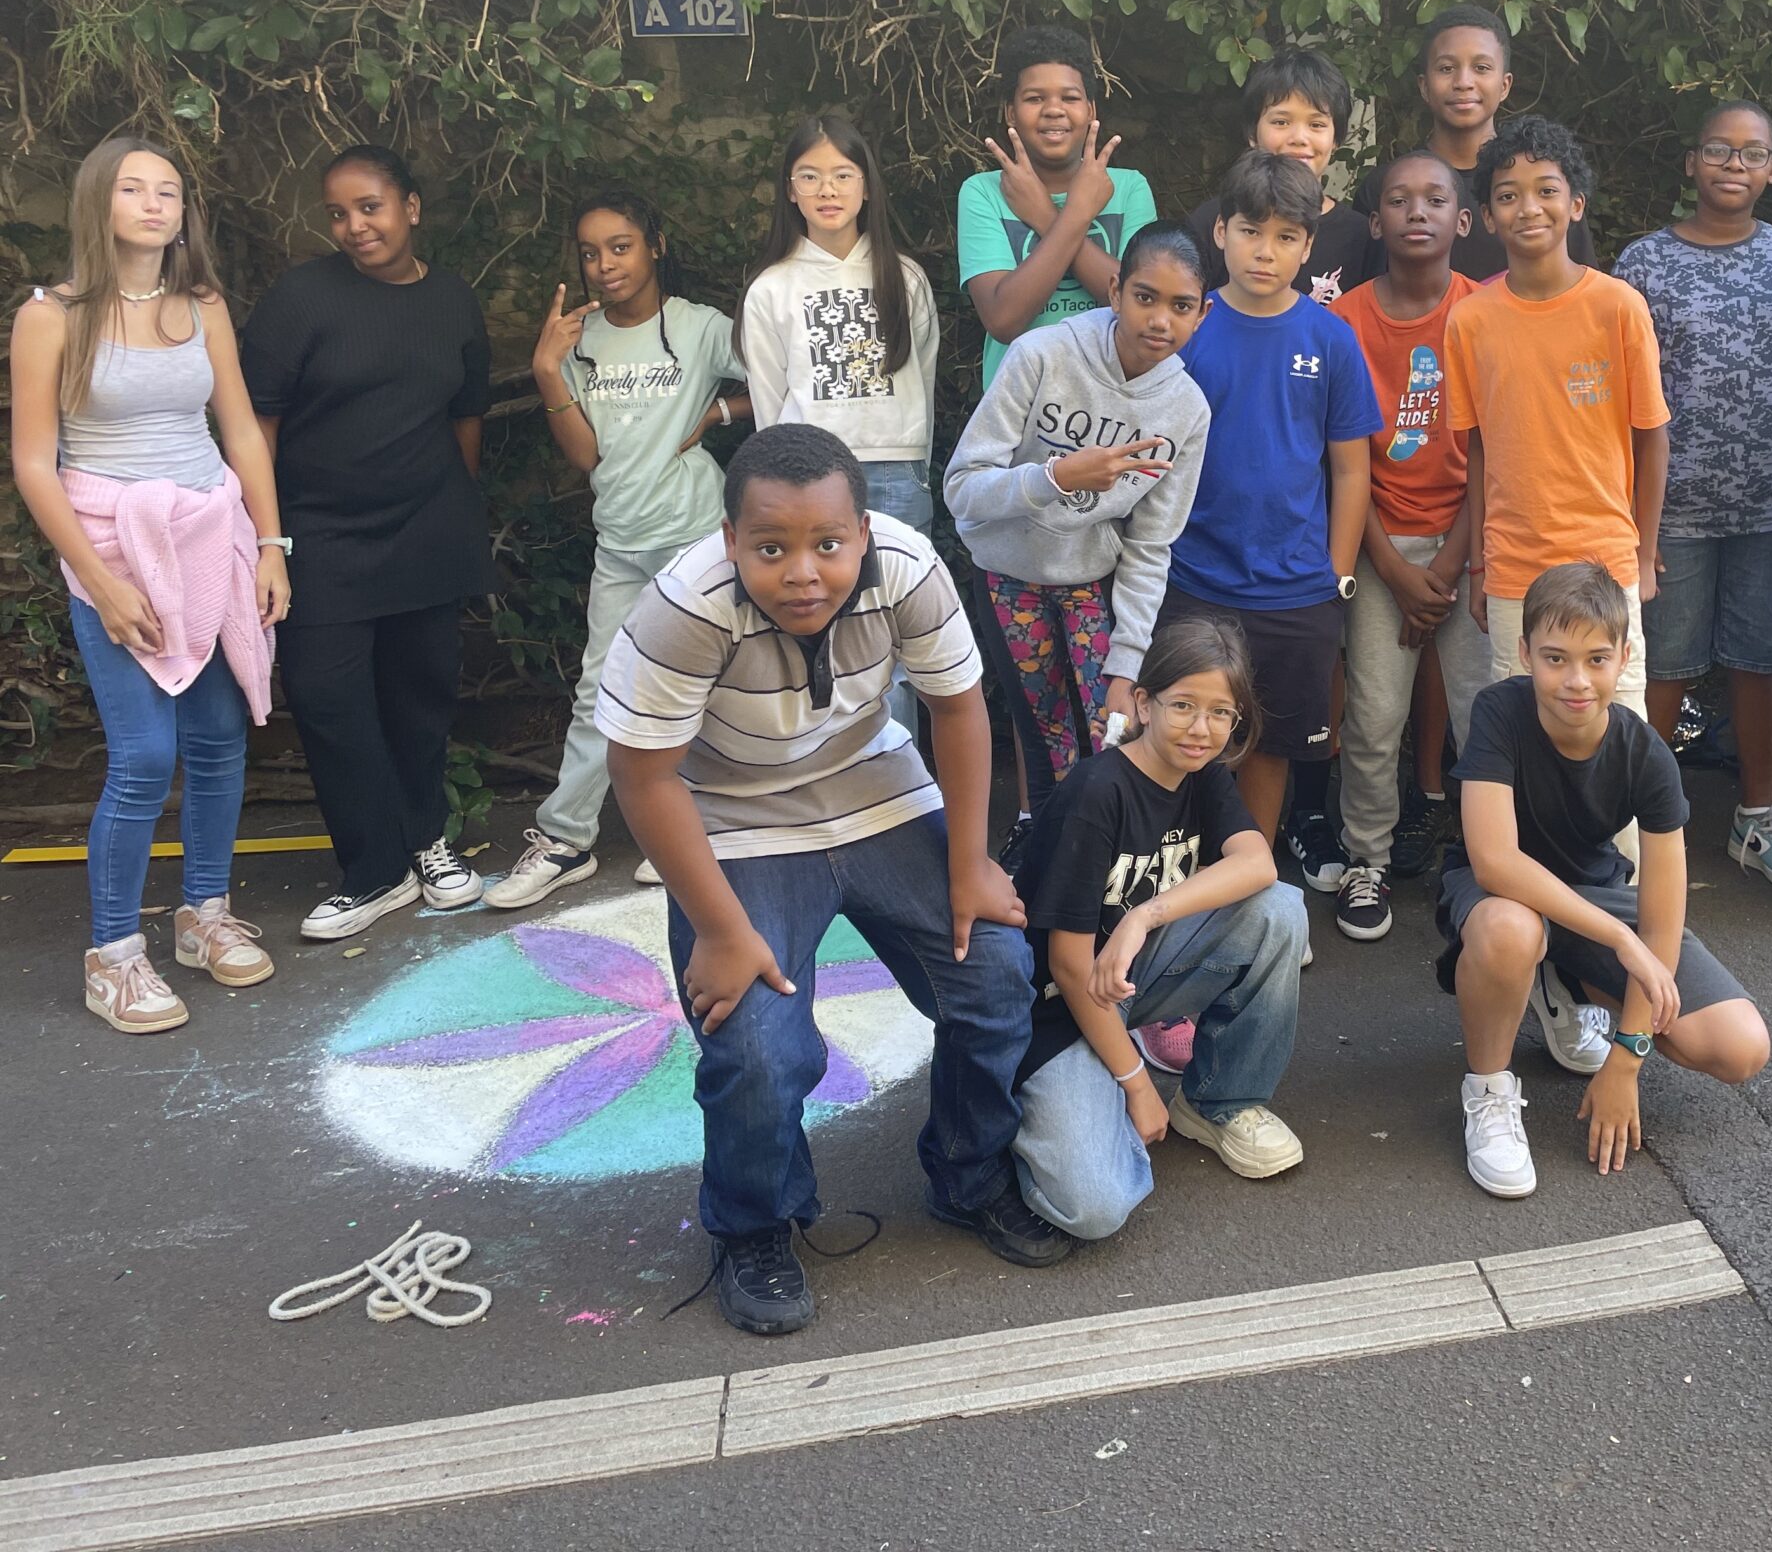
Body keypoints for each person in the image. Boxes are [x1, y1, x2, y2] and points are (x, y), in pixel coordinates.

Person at [599, 424, 1067, 1338]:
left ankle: (969, 1173)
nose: (803, 572)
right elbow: (643, 777)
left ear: (863, 531)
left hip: (874, 789)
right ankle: (755, 1224)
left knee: (994, 972)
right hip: (735, 817)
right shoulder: (685, 606)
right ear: (731, 540)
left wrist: (969, 864)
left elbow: (958, 710)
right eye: (771, 548)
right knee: (756, 1046)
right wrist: (723, 931)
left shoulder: (908, 566)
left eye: (827, 544)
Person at [11, 134, 287, 1032]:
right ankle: (114, 955)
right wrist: (98, 580)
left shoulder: (202, 304)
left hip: (210, 538)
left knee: (218, 740)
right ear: (98, 202)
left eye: (168, 191)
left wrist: (271, 545)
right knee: (142, 759)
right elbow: (35, 465)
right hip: (113, 550)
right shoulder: (50, 316)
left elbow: (239, 431)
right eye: (134, 188)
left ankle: (204, 915)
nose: (155, 204)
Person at [1435, 562, 1769, 1199]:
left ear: (1624, 658)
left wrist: (1627, 1057)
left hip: (1594, 894)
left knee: (1739, 1046)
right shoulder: (1499, 711)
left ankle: (1559, 980)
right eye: (1555, 658)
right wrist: (1620, 939)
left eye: (1596, 659)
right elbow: (1495, 861)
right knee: (1511, 929)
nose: (1577, 681)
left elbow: (1663, 919)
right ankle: (1489, 1090)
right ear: (1524, 653)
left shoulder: (1648, 756)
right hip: (1501, 898)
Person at [241, 146, 494, 939]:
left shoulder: (452, 300)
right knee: (329, 702)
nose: (354, 226)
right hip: (319, 536)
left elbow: (466, 414)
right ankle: (374, 871)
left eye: (370, 207)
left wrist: (452, 505)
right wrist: (266, 537)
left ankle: (425, 843)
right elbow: (255, 423)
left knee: (420, 698)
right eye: (338, 213)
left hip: (426, 532)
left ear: (411, 208)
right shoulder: (301, 298)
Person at [486, 187, 751, 910]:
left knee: (708, 686)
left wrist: (721, 410)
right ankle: (566, 839)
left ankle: (695, 833)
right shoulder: (579, 340)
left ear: (655, 247)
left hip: (695, 537)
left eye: (621, 247)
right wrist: (548, 371)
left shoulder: (699, 328)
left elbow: (786, 377)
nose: (605, 264)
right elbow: (587, 457)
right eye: (590, 253)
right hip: (621, 542)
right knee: (601, 690)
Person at [1009, 619, 1309, 1240]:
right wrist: (1137, 1084)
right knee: (1094, 1208)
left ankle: (1218, 1102)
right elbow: (1068, 968)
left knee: (1280, 910)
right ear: (1144, 705)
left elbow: (1257, 863)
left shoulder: (1202, 773)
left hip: (1128, 979)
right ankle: (1028, 1118)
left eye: (1220, 712)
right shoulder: (1097, 791)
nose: (1201, 729)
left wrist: (1145, 915)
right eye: (1183, 706)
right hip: (1056, 1010)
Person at [1615, 100, 1772, 896]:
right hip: (1671, 507)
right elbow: (1624, 398)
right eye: (1718, 150)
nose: (1734, 165)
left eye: (1752, 154)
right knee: (1662, 666)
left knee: (1760, 660)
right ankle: (1642, 821)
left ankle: (1758, 814)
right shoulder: (1642, 263)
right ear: (1692, 162)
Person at [943, 219, 1212, 828]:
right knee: (1046, 741)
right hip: (1010, 576)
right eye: (1144, 297)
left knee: (1111, 733)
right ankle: (1043, 855)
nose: (1160, 320)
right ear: (1115, 291)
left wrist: (1127, 662)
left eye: (1181, 306)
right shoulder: (1041, 355)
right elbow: (962, 489)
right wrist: (1057, 476)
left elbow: (1152, 544)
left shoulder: (1188, 410)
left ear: (1203, 315)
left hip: (1093, 583)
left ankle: (1103, 859)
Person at [1159, 154, 1380, 852]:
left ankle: (1249, 882)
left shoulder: (1330, 337)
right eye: (1251, 231)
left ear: (1309, 247)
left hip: (1297, 591)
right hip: (1194, 581)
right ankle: (1178, 885)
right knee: (1185, 741)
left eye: (1286, 236)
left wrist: (1336, 578)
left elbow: (1351, 469)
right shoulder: (1190, 328)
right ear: (1220, 232)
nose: (1266, 251)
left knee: (1270, 748)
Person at [1446, 116, 1667, 714]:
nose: (1529, 208)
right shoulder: (1470, 321)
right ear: (1487, 217)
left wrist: (1643, 556)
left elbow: (1652, 437)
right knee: (1524, 728)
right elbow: (1479, 448)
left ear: (1576, 205)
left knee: (1616, 721)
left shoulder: (1618, 307)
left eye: (1546, 190)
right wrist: (1479, 567)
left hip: (1607, 562)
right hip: (1513, 569)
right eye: (1507, 196)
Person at [1330, 150, 1495, 937]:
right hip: (1378, 543)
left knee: (1484, 713)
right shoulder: (1343, 321)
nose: (1417, 211)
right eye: (1399, 200)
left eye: (1435, 199)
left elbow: (1494, 455)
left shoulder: (1484, 314)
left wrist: (1452, 563)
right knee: (1374, 714)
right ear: (1376, 223)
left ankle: (1489, 859)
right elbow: (1342, 465)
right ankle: (1366, 857)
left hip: (1472, 541)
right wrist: (1395, 569)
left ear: (1462, 221)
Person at [738, 113, 940, 534]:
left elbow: (923, 376)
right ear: (790, 190)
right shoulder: (770, 288)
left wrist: (918, 455)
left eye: (843, 175)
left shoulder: (906, 277)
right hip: (808, 473)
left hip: (897, 468)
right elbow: (768, 402)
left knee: (900, 577)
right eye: (809, 177)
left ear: (866, 187)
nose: (827, 190)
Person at [959, 24, 1156, 389]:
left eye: (1070, 97)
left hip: (1112, 400)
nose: (1053, 110)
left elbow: (1142, 307)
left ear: (1090, 109)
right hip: (1019, 404)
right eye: (1035, 99)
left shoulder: (1128, 188)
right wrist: (1077, 214)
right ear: (1010, 113)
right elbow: (1003, 319)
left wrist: (1045, 216)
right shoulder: (983, 192)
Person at [1349, 5, 1597, 281]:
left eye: (1481, 68)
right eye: (1446, 68)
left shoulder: (1544, 183)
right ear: (1424, 86)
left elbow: (1583, 287)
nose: (1463, 82)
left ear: (1504, 85)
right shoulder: (1388, 186)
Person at [1183, 47, 1376, 304]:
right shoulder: (1212, 222)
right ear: (1252, 134)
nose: (1299, 138)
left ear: (1336, 140)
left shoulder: (1359, 236)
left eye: (1316, 124)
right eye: (1281, 122)